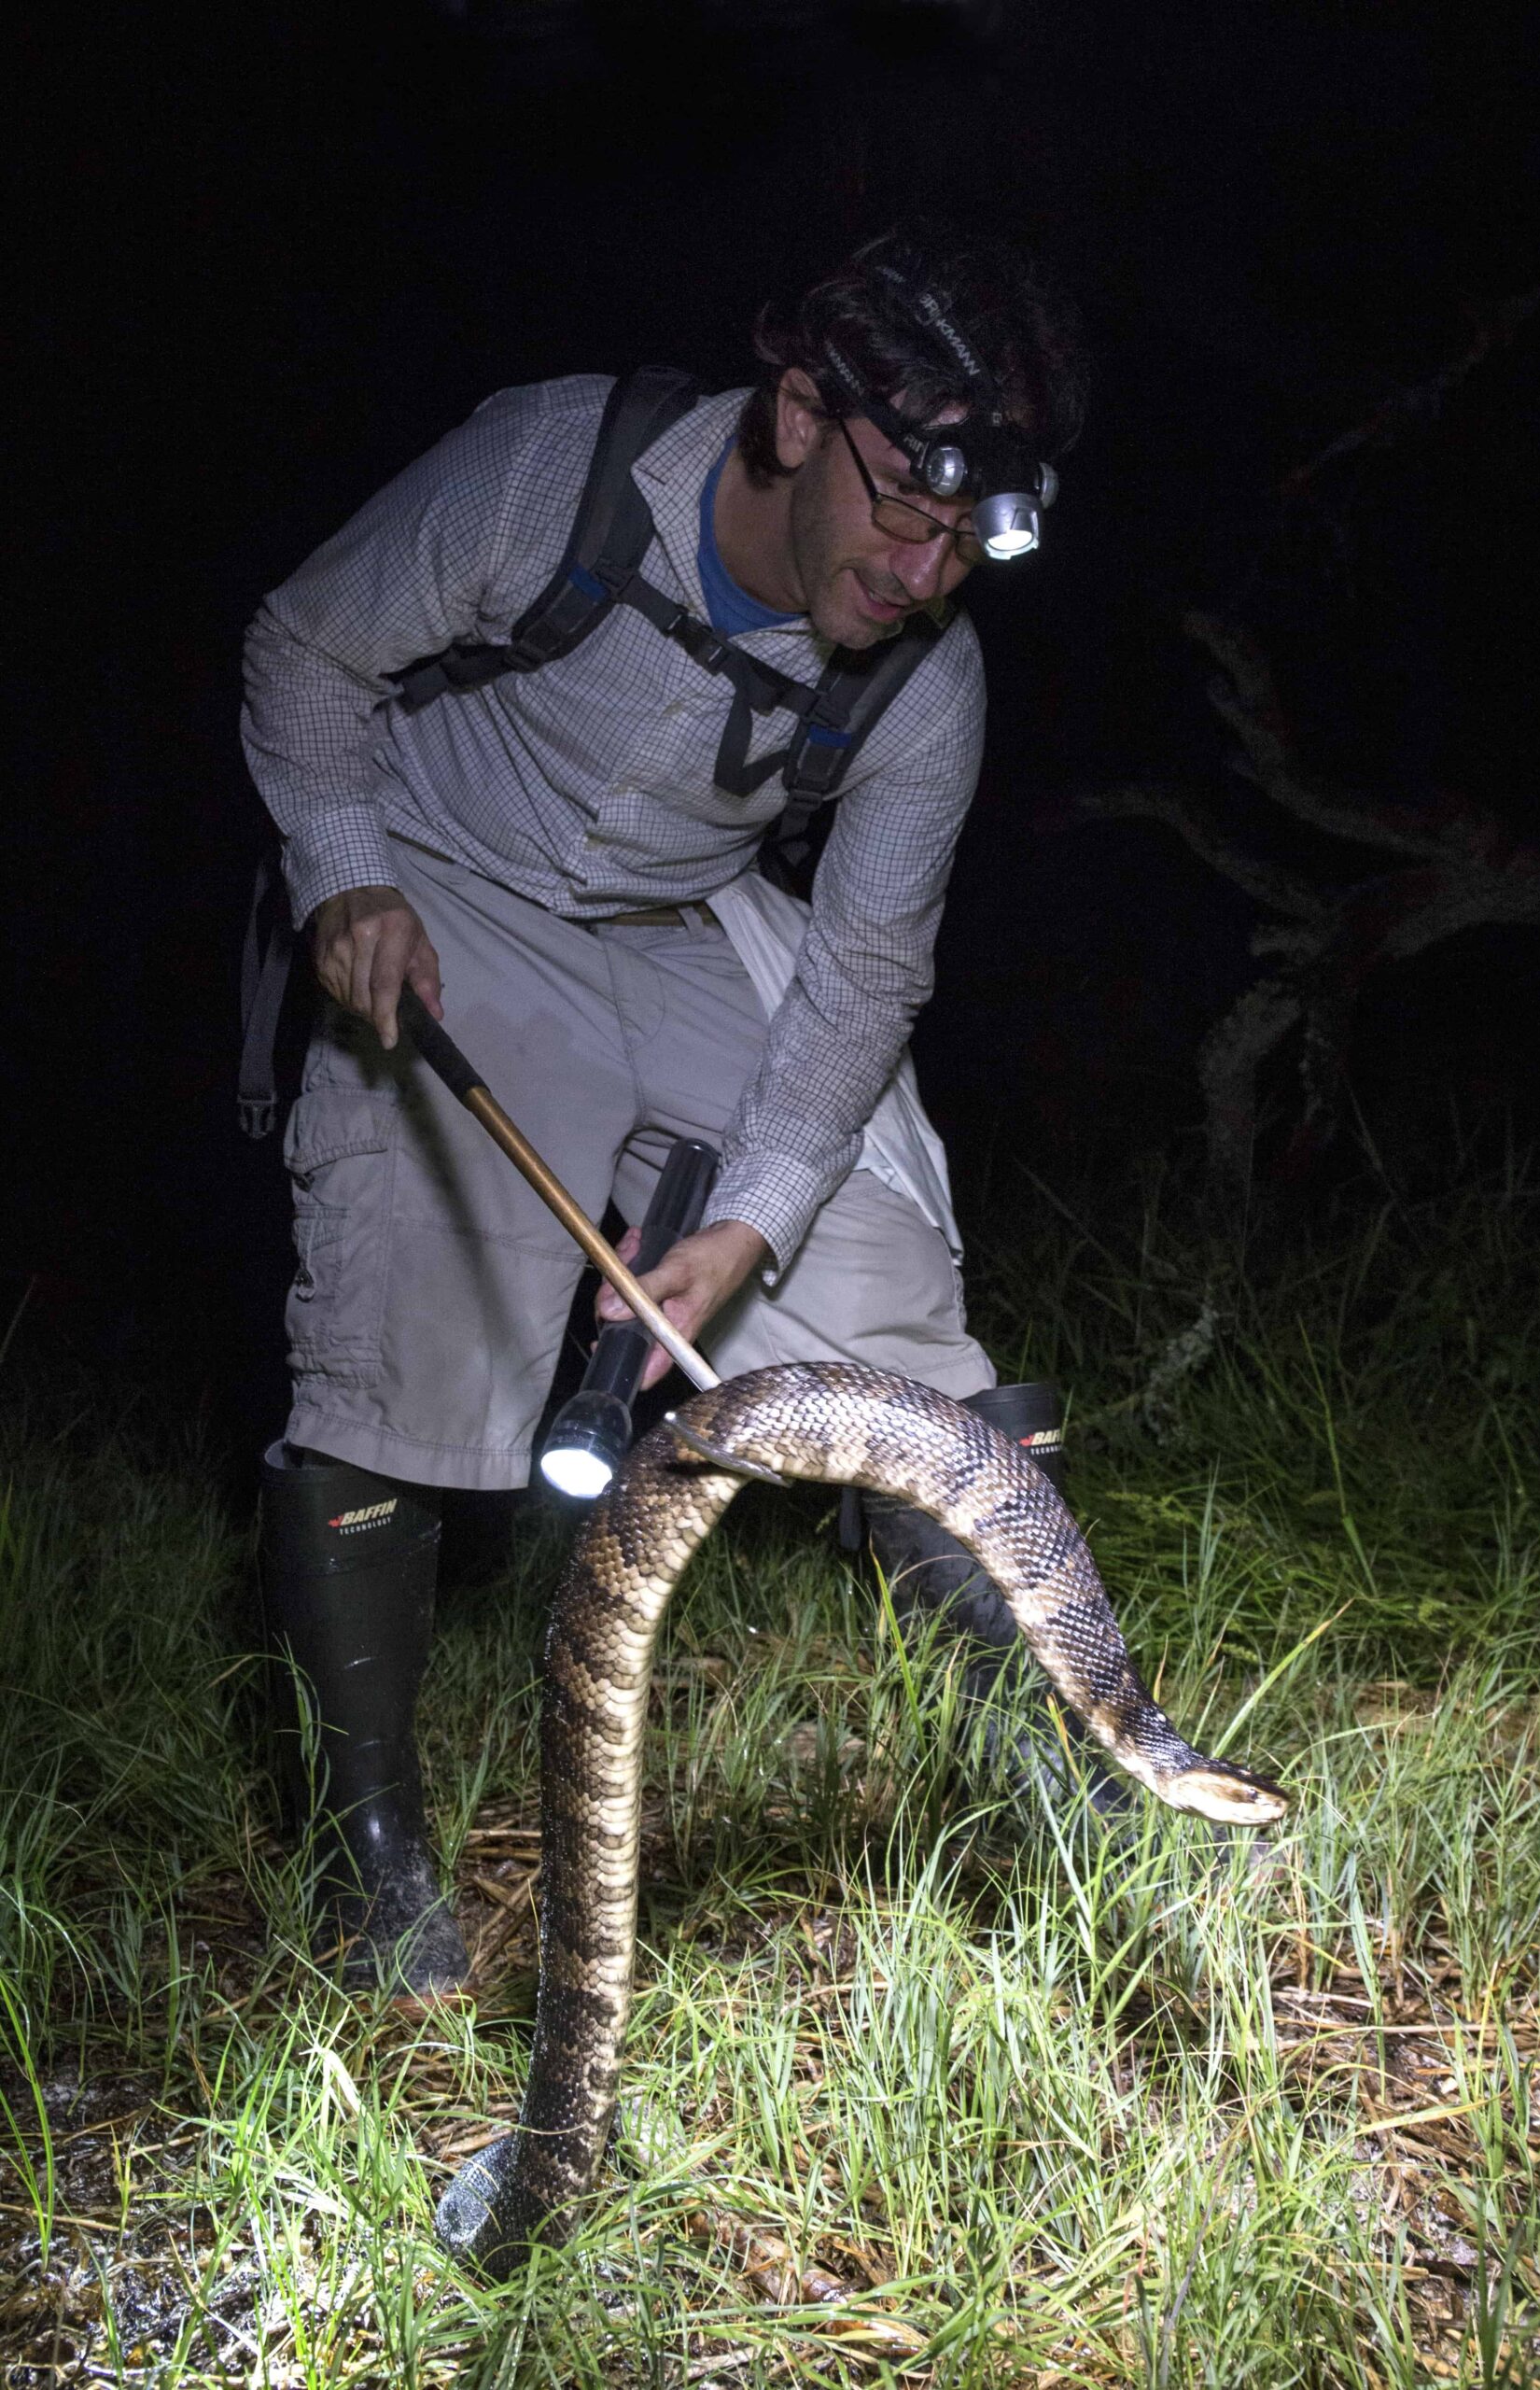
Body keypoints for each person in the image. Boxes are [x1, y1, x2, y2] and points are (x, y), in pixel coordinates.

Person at [242, 223, 1095, 2001]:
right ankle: (370, 1838)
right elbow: (307, 649)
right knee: (416, 1319)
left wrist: (757, 1216)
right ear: (798, 414)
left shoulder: (930, 684)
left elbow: (863, 978)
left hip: (691, 925)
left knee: (880, 1292)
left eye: (972, 540)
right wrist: (339, 876)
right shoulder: (550, 470)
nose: (926, 571)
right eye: (902, 507)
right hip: (446, 885)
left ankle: (1052, 1781)